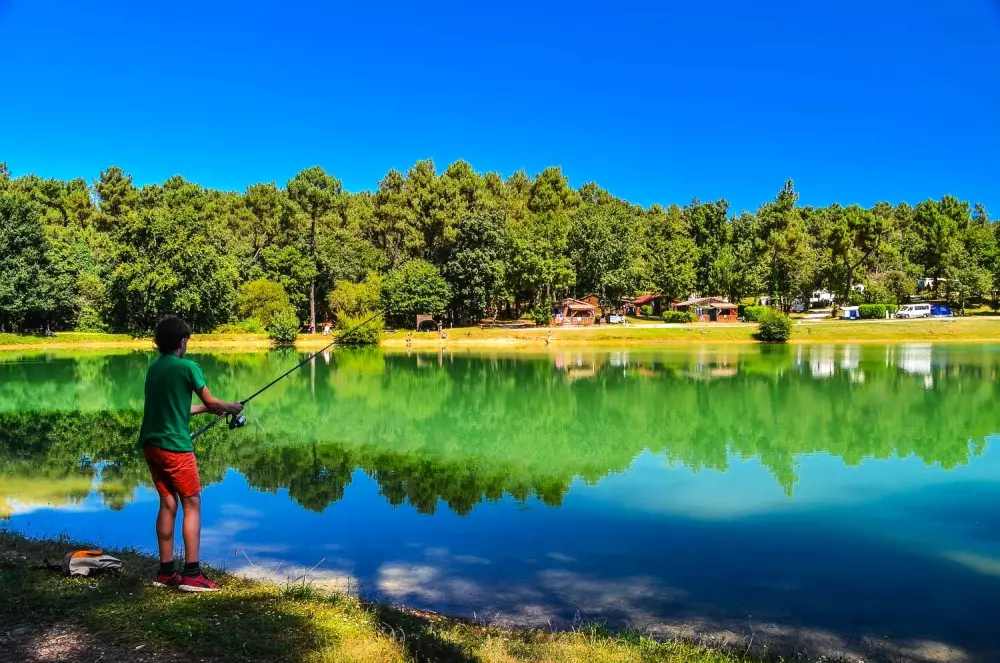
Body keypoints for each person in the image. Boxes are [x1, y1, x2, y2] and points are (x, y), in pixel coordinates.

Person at [139, 315, 243, 592]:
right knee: (192, 503)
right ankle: (192, 574)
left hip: (151, 445)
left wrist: (209, 409)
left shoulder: (154, 368)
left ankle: (166, 572)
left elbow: (178, 408)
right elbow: (210, 400)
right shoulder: (188, 367)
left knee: (167, 503)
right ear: (183, 341)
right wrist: (230, 407)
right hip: (175, 447)